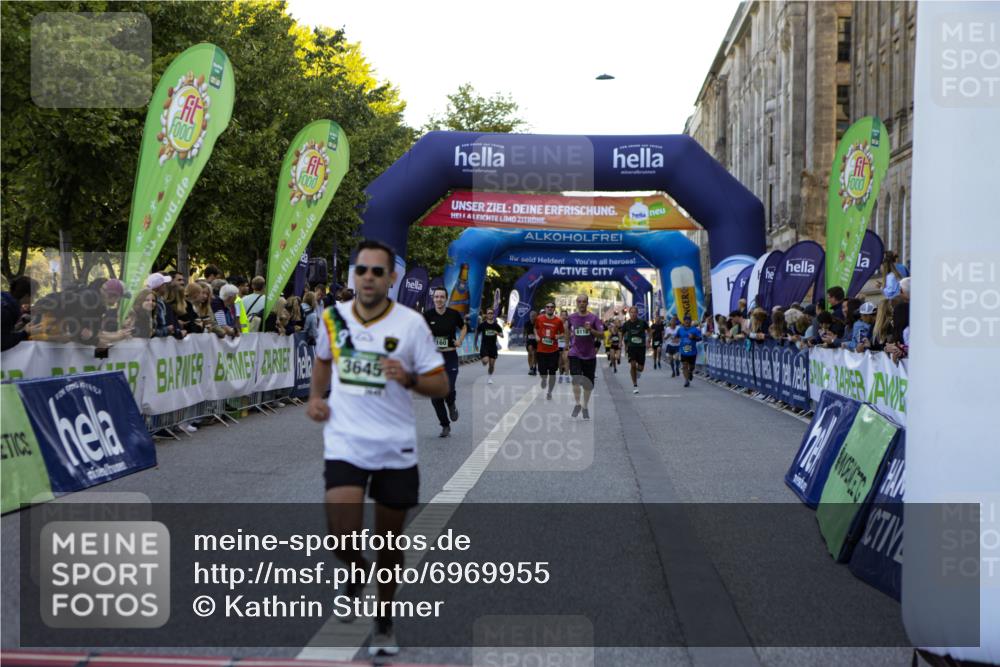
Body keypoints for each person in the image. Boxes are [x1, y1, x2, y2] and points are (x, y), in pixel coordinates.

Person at [305, 239, 448, 658]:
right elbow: (323, 359)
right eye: (361, 270)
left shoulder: (410, 325)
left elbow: (440, 384)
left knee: (389, 544)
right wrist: (317, 396)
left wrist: (407, 378)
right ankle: (355, 573)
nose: (367, 277)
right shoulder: (333, 318)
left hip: (395, 446)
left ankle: (384, 622)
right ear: (354, 276)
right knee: (341, 536)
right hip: (346, 441)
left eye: (376, 271)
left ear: (391, 279)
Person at [423, 286, 467, 438]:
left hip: (449, 358)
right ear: (433, 298)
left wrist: (460, 340)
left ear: (446, 299)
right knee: (435, 397)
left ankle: (451, 403)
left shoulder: (453, 314)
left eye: (442, 297)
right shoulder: (427, 315)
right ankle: (445, 425)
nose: (439, 299)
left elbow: (464, 327)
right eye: (436, 297)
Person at [566, 294, 603, 419]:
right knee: (575, 379)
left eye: (584, 301)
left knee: (588, 385)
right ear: (576, 303)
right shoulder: (572, 317)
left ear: (587, 303)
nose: (582, 303)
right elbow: (566, 330)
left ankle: (585, 405)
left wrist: (591, 330)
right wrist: (567, 347)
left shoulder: (594, 318)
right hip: (575, 353)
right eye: (579, 301)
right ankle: (577, 404)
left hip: (589, 355)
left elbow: (602, 335)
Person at [534, 302, 564, 400]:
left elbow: (563, 333)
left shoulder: (558, 321)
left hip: (553, 351)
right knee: (542, 372)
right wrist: (537, 336)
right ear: (545, 308)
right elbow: (535, 328)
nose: (550, 308)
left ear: (554, 309)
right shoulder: (539, 318)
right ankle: (543, 379)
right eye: (548, 307)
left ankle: (549, 392)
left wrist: (558, 336)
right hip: (541, 350)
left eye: (552, 307)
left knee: (552, 372)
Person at [1, 276, 39, 351]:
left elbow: (4, 330)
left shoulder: (5, 300)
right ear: (27, 295)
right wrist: (25, 333)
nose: (35, 297)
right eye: (35, 294)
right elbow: (3, 342)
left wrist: (21, 324)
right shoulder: (6, 310)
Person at [621, 305, 649, 394]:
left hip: (641, 347)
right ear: (629, 313)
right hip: (631, 347)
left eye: (635, 312)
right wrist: (620, 342)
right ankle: (635, 385)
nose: (633, 314)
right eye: (631, 312)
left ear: (637, 313)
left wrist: (649, 340)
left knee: (640, 368)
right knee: (633, 365)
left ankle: (637, 372)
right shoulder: (626, 324)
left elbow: (650, 331)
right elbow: (621, 332)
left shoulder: (642, 322)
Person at [475, 307, 504, 383]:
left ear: (493, 315)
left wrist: (497, 333)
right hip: (484, 346)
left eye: (491, 313)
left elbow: (502, 335)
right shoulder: (483, 324)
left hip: (493, 347)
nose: (490, 314)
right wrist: (475, 344)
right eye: (489, 313)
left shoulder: (496, 325)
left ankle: (489, 377)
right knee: (485, 361)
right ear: (486, 315)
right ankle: (483, 360)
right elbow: (477, 333)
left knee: (491, 365)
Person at [676, 315, 702, 387]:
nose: (687, 321)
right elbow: (676, 336)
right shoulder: (680, 329)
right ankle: (686, 380)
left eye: (688, 320)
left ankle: (690, 372)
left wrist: (694, 337)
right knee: (684, 366)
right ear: (683, 321)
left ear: (691, 321)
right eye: (685, 320)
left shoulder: (695, 329)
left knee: (692, 367)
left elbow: (700, 338)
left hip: (692, 351)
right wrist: (676, 340)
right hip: (683, 351)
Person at [557, 308, 571, 384]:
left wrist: (567, 343)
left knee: (566, 359)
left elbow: (571, 334)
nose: (563, 317)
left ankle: (567, 376)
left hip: (566, 344)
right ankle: (560, 375)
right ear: (560, 316)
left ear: (567, 316)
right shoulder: (557, 323)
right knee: (560, 361)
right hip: (558, 344)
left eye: (565, 315)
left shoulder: (569, 324)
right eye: (562, 315)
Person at [525, 310, 538, 376]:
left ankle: (534, 367)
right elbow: (524, 332)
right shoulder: (527, 323)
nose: (532, 317)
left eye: (534, 316)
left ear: (536, 316)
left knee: (535, 354)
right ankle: (531, 367)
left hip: (536, 341)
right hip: (529, 340)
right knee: (531, 352)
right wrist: (524, 339)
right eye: (531, 316)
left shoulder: (538, 323)